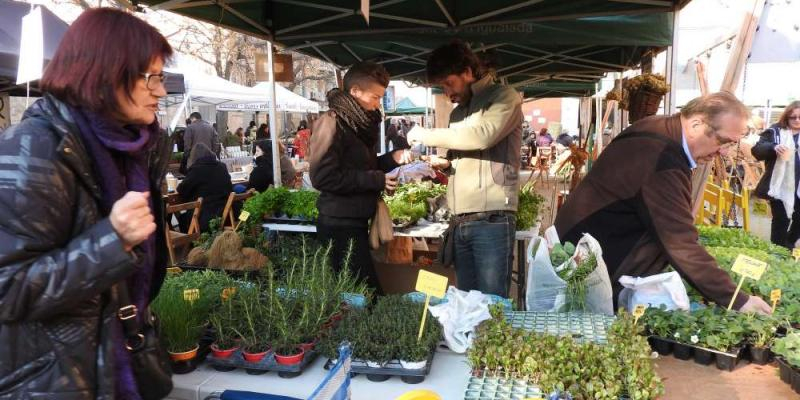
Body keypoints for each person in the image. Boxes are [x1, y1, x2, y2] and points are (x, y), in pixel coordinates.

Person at [0, 8, 173, 399]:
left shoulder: (133, 149)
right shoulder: (33, 149)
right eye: (152, 78)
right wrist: (112, 240)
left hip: (111, 362)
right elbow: (8, 288)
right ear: (107, 73)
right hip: (54, 380)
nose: (161, 91)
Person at [554, 92, 771, 314]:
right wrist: (738, 299)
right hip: (593, 260)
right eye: (722, 141)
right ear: (696, 124)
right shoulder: (663, 159)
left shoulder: (657, 126)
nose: (722, 152)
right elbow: (679, 241)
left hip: (585, 243)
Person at [407, 40, 522, 297]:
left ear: (468, 72)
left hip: (492, 219)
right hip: (460, 222)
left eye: (449, 83)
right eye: (442, 87)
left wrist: (427, 134)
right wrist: (446, 164)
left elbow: (482, 136)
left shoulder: (505, 98)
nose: (447, 93)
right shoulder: (458, 113)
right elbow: (464, 153)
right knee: (465, 304)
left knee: (490, 305)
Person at [309, 61, 412, 295]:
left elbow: (364, 166)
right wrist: (375, 180)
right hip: (338, 225)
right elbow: (322, 177)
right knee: (365, 296)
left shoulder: (357, 124)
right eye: (375, 97)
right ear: (355, 91)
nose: (378, 104)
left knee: (358, 295)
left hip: (354, 221)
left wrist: (392, 159)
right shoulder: (332, 122)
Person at [752, 100, 800, 248]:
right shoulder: (775, 131)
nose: (797, 120)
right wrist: (774, 147)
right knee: (781, 219)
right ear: (787, 117)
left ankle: (789, 243)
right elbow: (757, 150)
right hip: (780, 185)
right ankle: (777, 251)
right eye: (793, 117)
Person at [176, 143, 233, 232]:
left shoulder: (196, 170)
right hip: (227, 213)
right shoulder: (222, 166)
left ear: (194, 157)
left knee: (182, 217)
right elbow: (230, 188)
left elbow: (182, 190)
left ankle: (190, 244)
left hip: (204, 217)